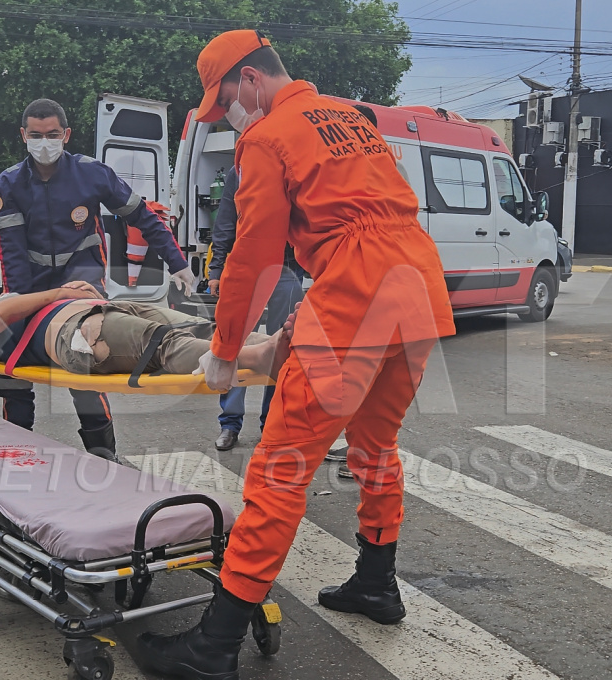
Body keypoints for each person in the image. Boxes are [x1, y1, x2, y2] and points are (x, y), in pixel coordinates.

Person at [137, 31, 455, 679]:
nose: (226, 119)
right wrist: (291, 333)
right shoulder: (345, 114)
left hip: (358, 288)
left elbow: (253, 255)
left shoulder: (268, 135)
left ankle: (214, 647)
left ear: (250, 80)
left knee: (279, 472)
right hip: (417, 284)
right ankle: (376, 583)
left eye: (224, 104)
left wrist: (225, 350)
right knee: (374, 446)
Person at [0, 98, 193, 460]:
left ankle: (103, 455)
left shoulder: (92, 173)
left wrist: (177, 263)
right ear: (23, 135)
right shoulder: (9, 185)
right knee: (12, 364)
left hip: (82, 282)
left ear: (66, 134)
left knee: (84, 358)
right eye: (36, 135)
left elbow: (143, 217)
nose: (44, 142)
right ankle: (17, 451)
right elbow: (12, 255)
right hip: (30, 284)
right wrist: (22, 303)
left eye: (52, 134)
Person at [0, 283, 285, 385]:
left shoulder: (35, 303)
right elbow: (0, 313)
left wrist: (76, 291)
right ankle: (259, 357)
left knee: (198, 327)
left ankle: (276, 345)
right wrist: (61, 292)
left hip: (103, 311)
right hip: (77, 334)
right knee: (163, 344)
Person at [207, 165, 304, 451]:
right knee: (233, 342)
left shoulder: (297, 164)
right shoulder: (241, 170)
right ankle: (230, 424)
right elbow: (225, 220)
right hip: (246, 267)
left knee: (281, 349)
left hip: (288, 267)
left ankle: (271, 425)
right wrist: (216, 269)